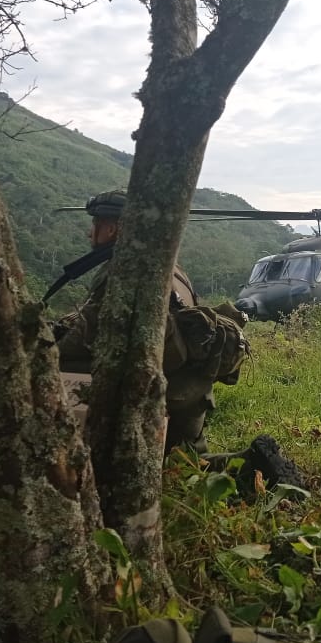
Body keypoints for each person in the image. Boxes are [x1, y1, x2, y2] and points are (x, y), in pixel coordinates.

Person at [53, 190, 247, 454]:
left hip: (158, 404)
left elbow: (79, 342)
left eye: (95, 225)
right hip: (191, 399)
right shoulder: (171, 269)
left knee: (54, 367)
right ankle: (245, 462)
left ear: (112, 229)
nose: (90, 233)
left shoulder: (124, 271)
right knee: (189, 463)